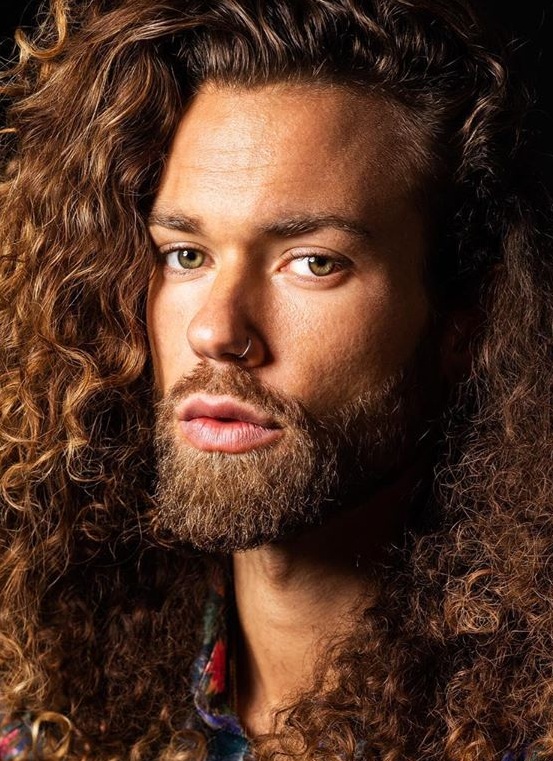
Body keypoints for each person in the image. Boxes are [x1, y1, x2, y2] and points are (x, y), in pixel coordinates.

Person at [0, 0, 551, 759]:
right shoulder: (52, 725)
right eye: (185, 255)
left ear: (465, 324)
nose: (216, 331)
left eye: (313, 262)